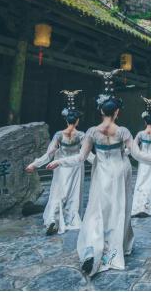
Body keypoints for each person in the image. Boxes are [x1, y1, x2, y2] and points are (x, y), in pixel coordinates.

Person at [46, 69, 151, 277]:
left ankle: (95, 248)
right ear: (117, 112)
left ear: (101, 111)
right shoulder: (123, 131)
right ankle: (116, 248)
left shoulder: (92, 132)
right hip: (120, 171)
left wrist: (59, 161)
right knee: (119, 209)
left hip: (102, 172)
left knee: (97, 211)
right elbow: (138, 155)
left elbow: (80, 157)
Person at [25, 90, 93, 235]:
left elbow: (49, 154)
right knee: (73, 195)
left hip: (60, 167)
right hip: (75, 167)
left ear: (66, 120)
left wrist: (34, 164)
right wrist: (103, 163)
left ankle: (53, 220)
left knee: (58, 193)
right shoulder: (81, 135)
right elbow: (88, 155)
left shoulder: (59, 135)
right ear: (77, 121)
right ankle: (70, 219)